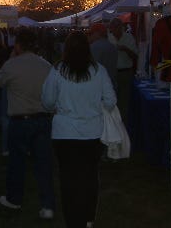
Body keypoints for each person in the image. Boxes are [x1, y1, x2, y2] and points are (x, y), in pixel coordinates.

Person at [42, 31, 117, 228]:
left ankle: (73, 220)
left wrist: (58, 107)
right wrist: (95, 106)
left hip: (64, 134)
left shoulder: (57, 70)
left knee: (68, 179)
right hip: (92, 133)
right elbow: (110, 100)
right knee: (90, 176)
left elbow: (48, 101)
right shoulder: (98, 71)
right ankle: (88, 217)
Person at [0, 28, 55, 220]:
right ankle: (47, 205)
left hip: (20, 121)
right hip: (43, 119)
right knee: (43, 164)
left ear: (18, 45)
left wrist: (11, 58)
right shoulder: (46, 66)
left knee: (17, 162)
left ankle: (14, 198)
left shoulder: (12, 65)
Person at [108, 18, 138, 122]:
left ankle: (122, 123)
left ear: (121, 28)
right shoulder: (108, 38)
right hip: (112, 73)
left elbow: (135, 56)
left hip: (125, 72)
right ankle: (112, 122)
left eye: (117, 27)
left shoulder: (129, 38)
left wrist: (125, 49)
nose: (115, 29)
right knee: (111, 99)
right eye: (113, 27)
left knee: (124, 100)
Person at [88, 22, 118, 91]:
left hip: (98, 86)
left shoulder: (94, 47)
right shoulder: (112, 46)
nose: (90, 36)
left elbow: (92, 68)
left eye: (91, 33)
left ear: (97, 33)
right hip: (111, 84)